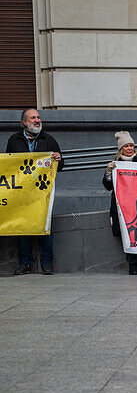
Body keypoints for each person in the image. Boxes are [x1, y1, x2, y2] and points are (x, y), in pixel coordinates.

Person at [6, 107, 64, 275]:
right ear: (25, 122)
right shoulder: (14, 140)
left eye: (38, 117)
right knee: (23, 228)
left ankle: (47, 264)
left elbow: (60, 166)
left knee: (45, 228)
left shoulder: (48, 139)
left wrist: (59, 159)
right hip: (22, 194)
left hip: (42, 194)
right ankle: (25, 264)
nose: (37, 120)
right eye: (33, 118)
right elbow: (8, 165)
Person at [102, 131, 137, 275]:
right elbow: (108, 186)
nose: (129, 148)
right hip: (122, 207)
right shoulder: (115, 165)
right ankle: (132, 265)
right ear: (121, 149)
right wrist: (109, 173)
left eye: (131, 145)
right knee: (127, 236)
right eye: (126, 146)